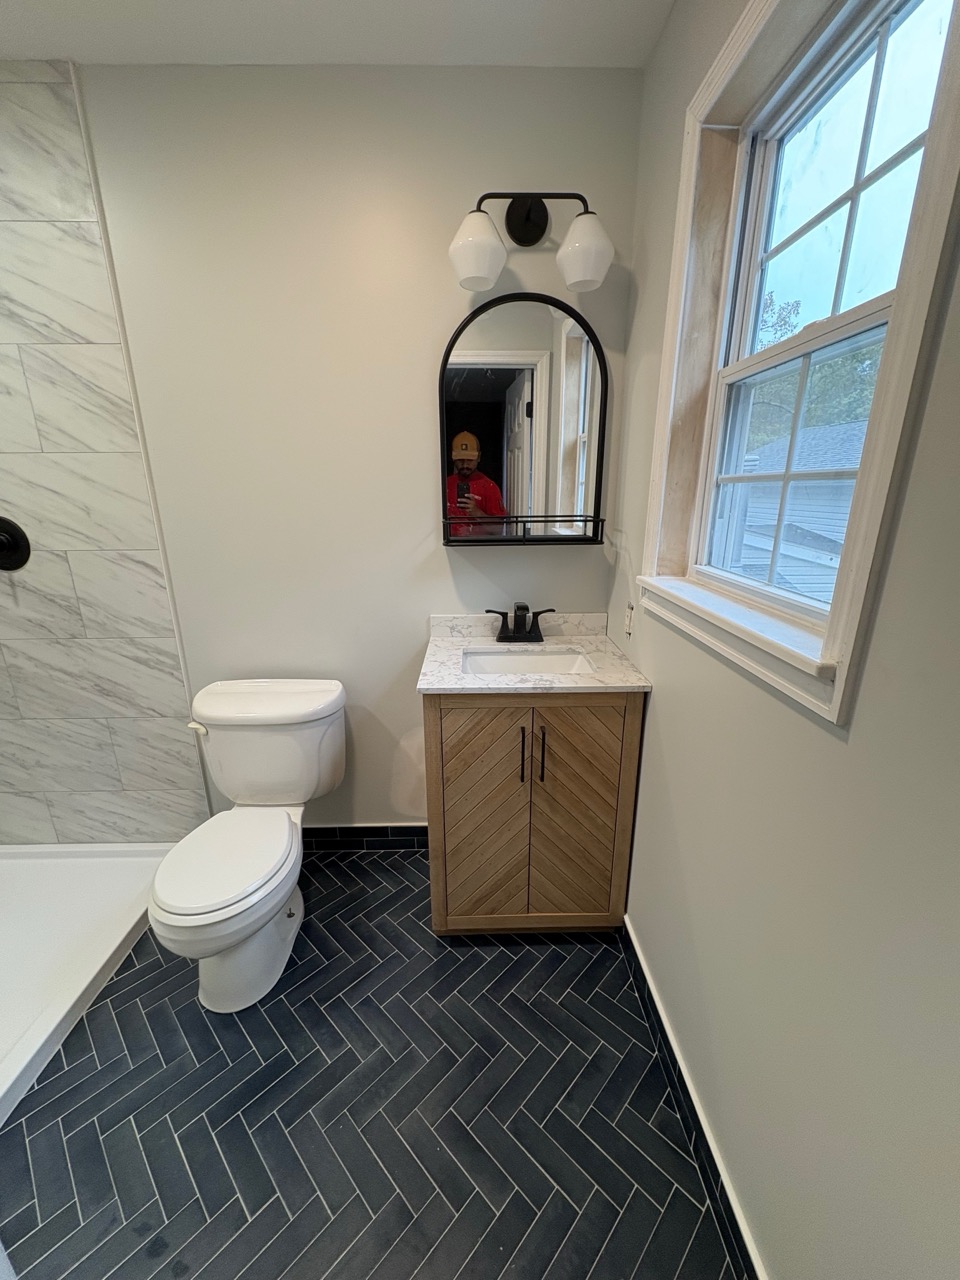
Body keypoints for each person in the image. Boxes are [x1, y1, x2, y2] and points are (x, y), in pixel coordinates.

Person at [445, 431, 507, 537]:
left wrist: (476, 512)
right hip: (447, 549)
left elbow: (498, 530)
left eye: (469, 460)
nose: (465, 465)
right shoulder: (445, 484)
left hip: (477, 550)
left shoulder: (489, 487)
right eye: (460, 460)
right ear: (453, 458)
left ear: (478, 457)